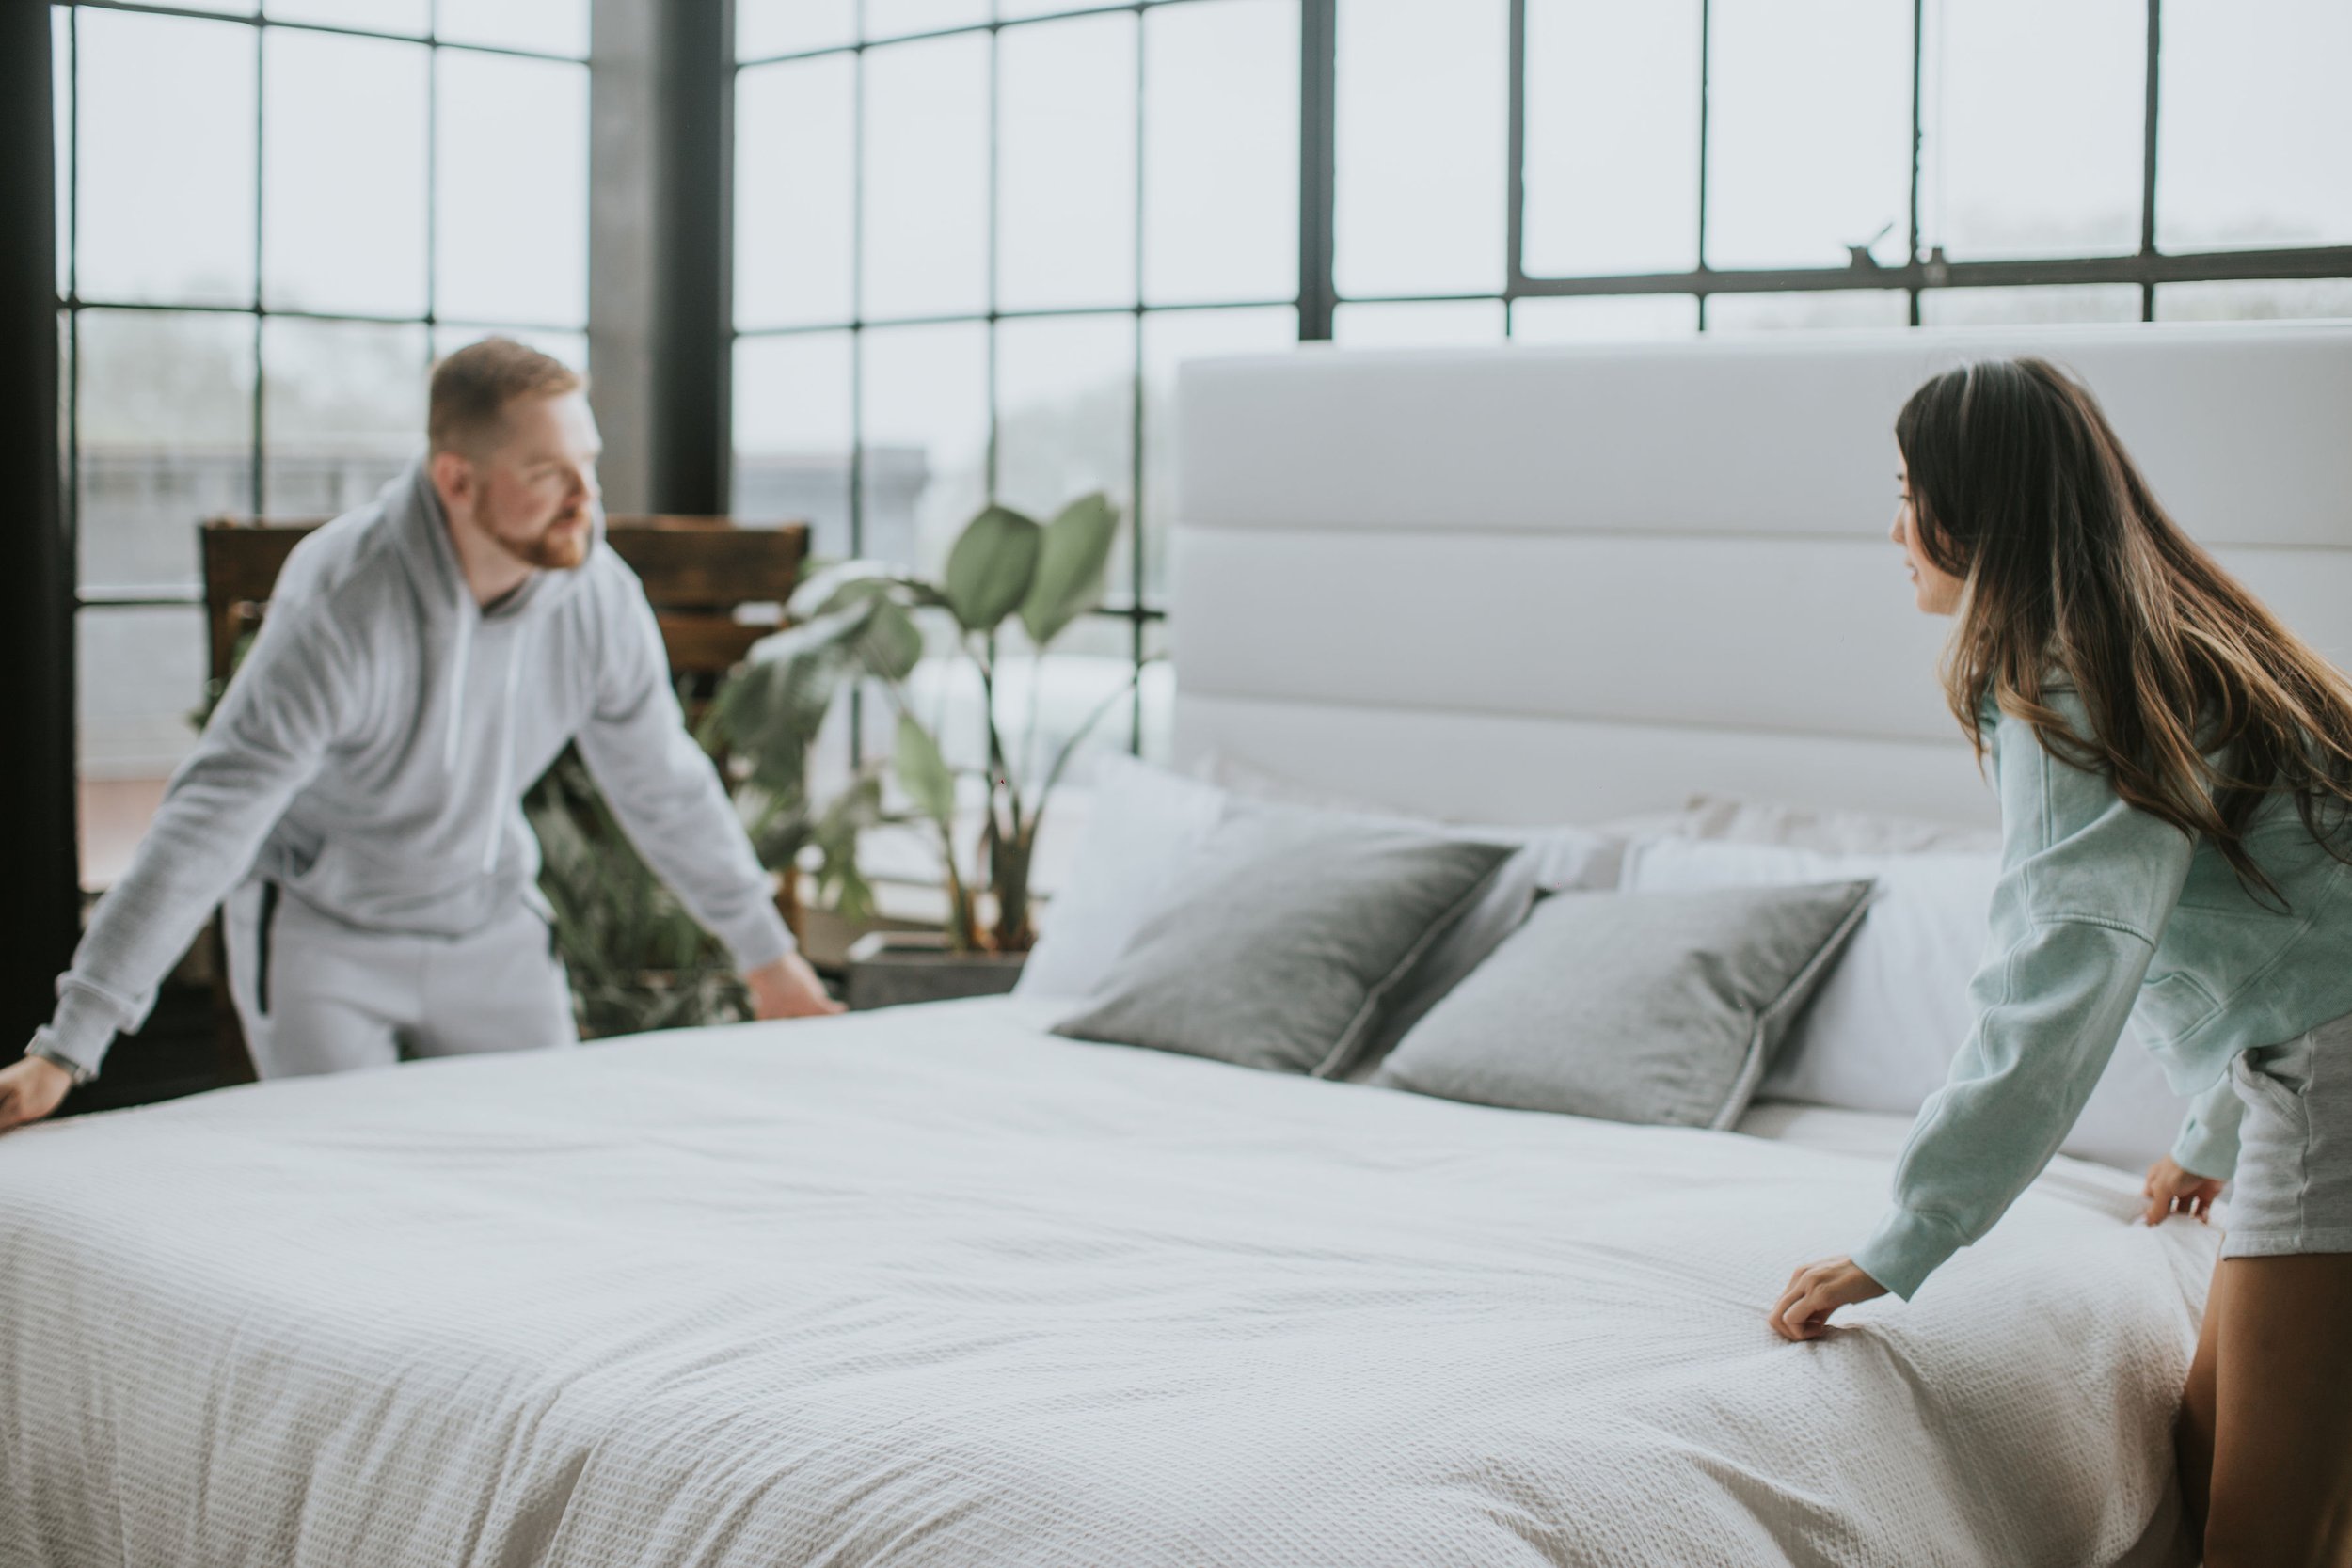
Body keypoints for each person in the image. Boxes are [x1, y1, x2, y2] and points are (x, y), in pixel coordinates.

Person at [1768, 356, 2352, 1566]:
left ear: (1975, 506)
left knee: (2264, 1538)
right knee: (2199, 1458)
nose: (1894, 528)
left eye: (1906, 491)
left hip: (2336, 1078)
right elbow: (2303, 919)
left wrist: (1907, 1234)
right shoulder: (2165, 637)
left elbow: (2061, 968)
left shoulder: (2070, 680)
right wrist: (2211, 1134)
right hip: (2315, 1067)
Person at [0, 337, 839, 1132]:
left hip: (489, 922)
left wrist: (769, 959)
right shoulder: (344, 602)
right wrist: (68, 1046)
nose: (587, 500)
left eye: (588, 464)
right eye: (549, 473)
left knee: (553, 1158)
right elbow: (211, 814)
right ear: (458, 481)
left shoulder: (597, 598)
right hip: (326, 933)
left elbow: (664, 784)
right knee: (350, 1191)